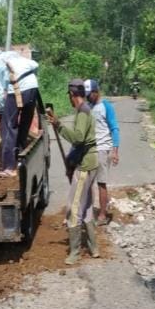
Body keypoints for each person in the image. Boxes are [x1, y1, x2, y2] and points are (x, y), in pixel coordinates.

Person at [47, 79, 100, 262]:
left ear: (72, 95)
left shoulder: (83, 112)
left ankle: (75, 252)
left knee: (73, 208)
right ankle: (94, 249)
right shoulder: (83, 110)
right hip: (90, 162)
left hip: (85, 165)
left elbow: (78, 138)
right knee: (86, 208)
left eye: (69, 96)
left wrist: (59, 126)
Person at [0, 41, 40, 179]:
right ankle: (21, 157)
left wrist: (1, 114)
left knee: (8, 127)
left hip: (19, 89)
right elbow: (35, 64)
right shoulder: (8, 55)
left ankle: (9, 167)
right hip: (33, 86)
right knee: (24, 124)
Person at [86, 80, 121, 226]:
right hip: (90, 149)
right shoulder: (88, 107)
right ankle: (87, 212)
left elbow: (114, 128)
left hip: (103, 149)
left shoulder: (106, 106)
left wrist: (115, 150)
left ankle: (102, 215)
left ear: (96, 92)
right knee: (87, 182)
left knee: (101, 183)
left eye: (90, 94)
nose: (88, 97)